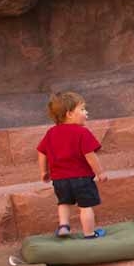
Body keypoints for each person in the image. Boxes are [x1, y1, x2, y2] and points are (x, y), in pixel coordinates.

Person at [37, 91, 108, 239]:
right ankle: (89, 233)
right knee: (85, 206)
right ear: (69, 114)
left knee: (63, 202)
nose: (86, 112)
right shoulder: (82, 132)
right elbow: (90, 155)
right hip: (81, 178)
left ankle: (64, 226)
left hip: (59, 180)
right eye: (82, 109)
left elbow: (41, 152)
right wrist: (100, 172)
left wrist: (44, 171)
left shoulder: (51, 133)